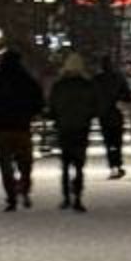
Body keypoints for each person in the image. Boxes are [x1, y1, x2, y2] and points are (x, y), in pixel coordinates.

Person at [0, 48, 45, 212]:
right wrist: (32, 113)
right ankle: (25, 188)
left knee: (5, 165)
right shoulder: (26, 80)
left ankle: (11, 196)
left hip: (3, 128)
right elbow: (39, 101)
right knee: (25, 163)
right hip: (22, 127)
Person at [48, 54, 100, 212]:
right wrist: (88, 116)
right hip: (81, 128)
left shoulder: (59, 86)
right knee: (79, 164)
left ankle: (65, 198)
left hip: (64, 128)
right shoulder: (87, 85)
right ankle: (78, 197)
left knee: (64, 164)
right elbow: (96, 105)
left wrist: (56, 117)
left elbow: (52, 107)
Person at [92, 56, 131, 179]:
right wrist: (120, 100)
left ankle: (113, 166)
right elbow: (128, 96)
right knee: (117, 142)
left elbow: (92, 97)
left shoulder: (97, 80)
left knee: (108, 142)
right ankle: (118, 165)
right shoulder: (119, 78)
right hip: (116, 113)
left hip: (104, 115)